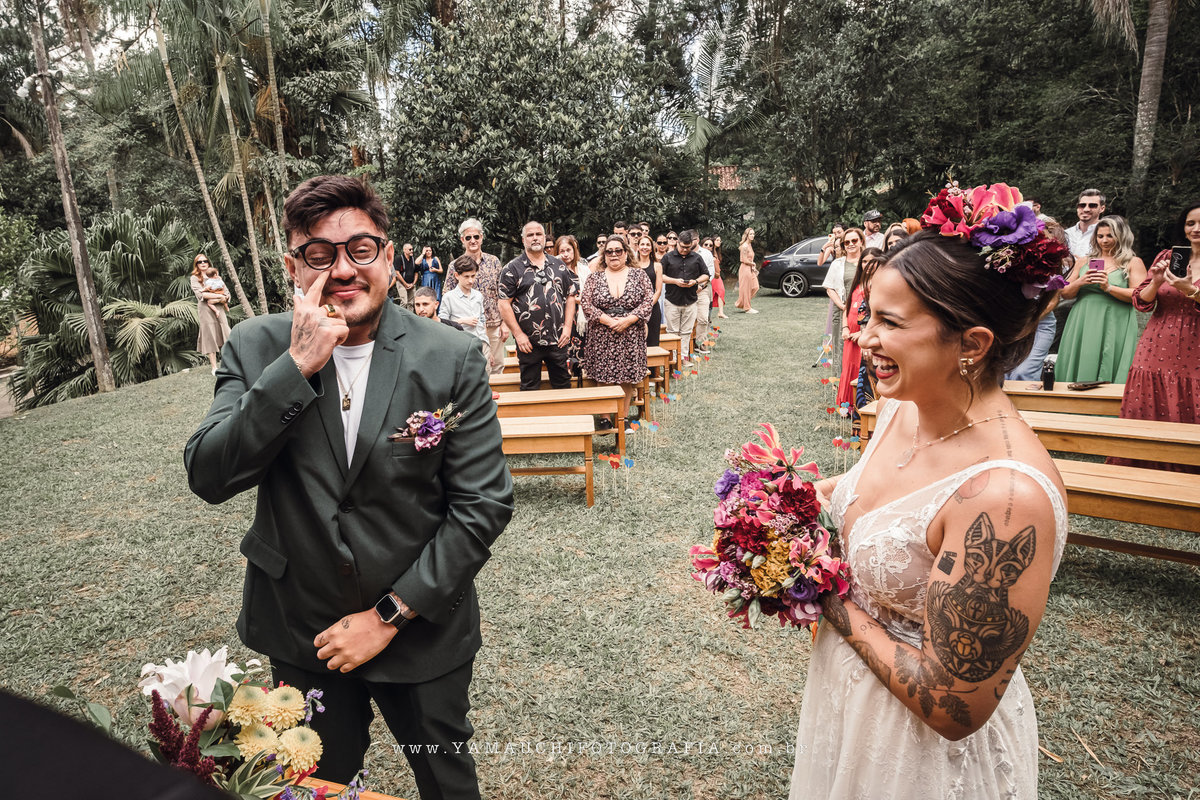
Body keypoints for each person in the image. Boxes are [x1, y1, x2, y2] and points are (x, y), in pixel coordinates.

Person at [184, 175, 513, 798]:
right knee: (317, 785)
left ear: (387, 255)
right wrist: (296, 366)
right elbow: (210, 475)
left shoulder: (449, 355)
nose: (341, 269)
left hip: (421, 625)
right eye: (318, 254)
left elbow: (483, 504)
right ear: (292, 267)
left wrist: (389, 615)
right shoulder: (255, 346)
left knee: (445, 779)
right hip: (302, 627)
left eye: (360, 249)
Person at [790, 196, 1071, 798]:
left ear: (971, 343)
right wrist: (787, 502)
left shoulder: (1007, 499)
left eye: (890, 323)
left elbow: (952, 705)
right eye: (868, 316)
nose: (864, 337)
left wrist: (818, 586)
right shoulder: (902, 407)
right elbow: (874, 493)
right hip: (847, 698)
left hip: (921, 755)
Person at [1108, 202, 1200, 473]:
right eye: (1191, 223)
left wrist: (1189, 290)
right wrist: (1158, 281)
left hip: (1195, 347)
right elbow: (1142, 302)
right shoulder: (1169, 256)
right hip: (1156, 343)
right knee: (1148, 398)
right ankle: (1140, 462)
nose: (1196, 229)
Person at [1054, 215, 1146, 384]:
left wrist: (1109, 287)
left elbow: (1139, 296)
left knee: (1110, 356)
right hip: (1083, 318)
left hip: (1116, 319)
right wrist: (1081, 281)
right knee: (1084, 355)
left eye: (1110, 235)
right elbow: (1065, 292)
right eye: (1100, 236)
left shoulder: (1133, 262)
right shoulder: (1084, 261)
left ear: (1121, 236)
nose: (1104, 240)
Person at [580, 235, 655, 429]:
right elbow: (586, 304)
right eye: (609, 251)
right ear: (604, 255)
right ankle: (605, 418)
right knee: (603, 376)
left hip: (630, 334)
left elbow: (648, 301)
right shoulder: (594, 277)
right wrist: (608, 321)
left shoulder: (639, 275)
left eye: (618, 250)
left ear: (626, 253)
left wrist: (628, 320)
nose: (614, 254)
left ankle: (622, 418)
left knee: (626, 376)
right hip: (601, 334)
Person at [498, 221, 578, 391]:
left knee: (563, 385)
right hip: (528, 342)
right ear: (523, 240)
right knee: (530, 387)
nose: (535, 238)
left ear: (544, 238)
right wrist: (518, 335)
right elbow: (504, 304)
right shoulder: (512, 269)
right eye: (530, 235)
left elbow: (571, 296)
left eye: (538, 234)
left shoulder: (559, 265)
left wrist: (567, 328)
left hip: (558, 339)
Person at [444, 219, 507, 375]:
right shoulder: (454, 266)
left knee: (496, 366)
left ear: (482, 237)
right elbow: (447, 295)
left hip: (493, 325)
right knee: (469, 371)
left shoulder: (493, 262)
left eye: (476, 237)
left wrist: (505, 323)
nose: (473, 240)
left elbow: (504, 294)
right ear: (462, 240)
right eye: (468, 237)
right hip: (465, 329)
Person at [837, 247, 883, 414]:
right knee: (848, 367)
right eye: (864, 261)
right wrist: (845, 327)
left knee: (860, 369)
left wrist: (863, 333)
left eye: (872, 261)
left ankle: (860, 407)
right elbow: (847, 307)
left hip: (864, 335)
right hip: (850, 334)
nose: (868, 265)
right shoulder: (858, 282)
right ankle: (846, 405)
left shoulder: (879, 285)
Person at [661, 229, 708, 363]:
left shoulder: (697, 258)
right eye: (682, 247)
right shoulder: (667, 257)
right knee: (672, 331)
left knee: (687, 331)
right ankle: (674, 359)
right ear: (677, 243)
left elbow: (706, 275)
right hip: (672, 300)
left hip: (690, 300)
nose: (685, 250)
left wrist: (695, 281)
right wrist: (674, 281)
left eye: (688, 247)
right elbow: (660, 276)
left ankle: (684, 358)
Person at [189, 253, 232, 375]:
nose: (203, 263)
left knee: (225, 333)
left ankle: (228, 363)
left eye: (205, 261)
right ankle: (214, 367)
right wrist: (220, 297)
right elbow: (201, 295)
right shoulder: (195, 278)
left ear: (208, 262)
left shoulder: (215, 275)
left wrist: (224, 298)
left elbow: (227, 293)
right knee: (209, 336)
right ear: (196, 264)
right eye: (200, 262)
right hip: (206, 310)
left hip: (219, 308)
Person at [555, 234, 590, 377]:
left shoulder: (583, 269)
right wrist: (574, 300)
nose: (565, 254)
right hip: (563, 316)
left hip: (582, 317)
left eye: (568, 250)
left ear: (574, 251)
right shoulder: (554, 270)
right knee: (566, 353)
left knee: (582, 352)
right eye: (562, 251)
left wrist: (580, 300)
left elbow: (591, 293)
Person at [439, 259, 488, 349]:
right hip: (462, 346)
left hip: (482, 343)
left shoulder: (478, 295)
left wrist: (487, 344)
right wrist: (462, 321)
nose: (471, 280)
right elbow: (442, 324)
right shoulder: (448, 297)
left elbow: (482, 320)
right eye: (466, 277)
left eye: (473, 276)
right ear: (457, 275)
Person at [633, 234, 662, 347]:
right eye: (642, 244)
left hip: (652, 308)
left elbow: (658, 290)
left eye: (647, 245)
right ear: (638, 247)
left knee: (652, 343)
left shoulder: (657, 266)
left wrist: (647, 306)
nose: (645, 247)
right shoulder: (632, 266)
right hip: (634, 308)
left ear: (651, 248)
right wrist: (639, 308)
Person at [694, 235, 715, 347]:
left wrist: (701, 286)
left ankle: (701, 342)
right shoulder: (682, 252)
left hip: (703, 288)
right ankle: (691, 344)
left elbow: (711, 271)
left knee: (703, 318)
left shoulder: (706, 254)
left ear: (697, 240)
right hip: (687, 290)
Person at [734, 227, 759, 313]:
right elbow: (744, 260)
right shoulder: (744, 246)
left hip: (750, 268)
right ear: (747, 235)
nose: (752, 235)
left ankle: (742, 303)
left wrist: (753, 266)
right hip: (745, 268)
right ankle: (747, 308)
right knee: (746, 288)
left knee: (755, 286)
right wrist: (753, 264)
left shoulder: (749, 245)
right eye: (750, 234)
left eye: (753, 234)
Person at [704, 236, 728, 320]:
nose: (719, 242)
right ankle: (718, 312)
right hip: (713, 275)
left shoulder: (716, 252)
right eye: (717, 240)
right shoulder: (709, 252)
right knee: (718, 291)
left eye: (720, 240)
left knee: (720, 291)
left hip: (717, 274)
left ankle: (720, 312)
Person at [394, 242, 418, 307]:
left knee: (411, 303)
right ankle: (401, 314)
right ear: (404, 250)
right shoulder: (399, 258)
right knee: (404, 302)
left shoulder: (414, 259)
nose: (412, 251)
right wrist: (405, 284)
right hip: (401, 283)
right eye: (410, 249)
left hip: (411, 284)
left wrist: (413, 284)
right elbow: (397, 273)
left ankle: (409, 314)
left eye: (412, 249)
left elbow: (416, 273)